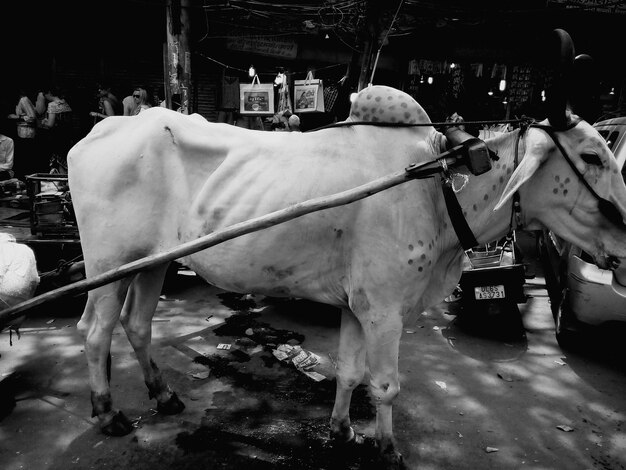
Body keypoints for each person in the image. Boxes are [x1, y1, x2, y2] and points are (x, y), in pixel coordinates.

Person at [38, 86, 73, 172]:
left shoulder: (52, 105)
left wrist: (44, 122)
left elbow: (50, 124)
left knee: (57, 159)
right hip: (67, 134)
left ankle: (59, 180)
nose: (45, 97)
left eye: (45, 94)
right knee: (64, 158)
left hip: (56, 135)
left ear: (49, 93)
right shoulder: (65, 102)